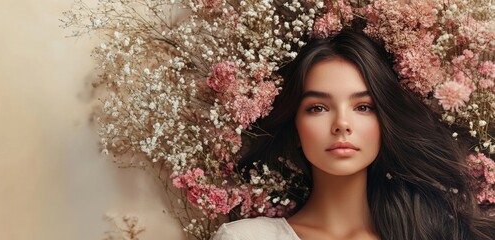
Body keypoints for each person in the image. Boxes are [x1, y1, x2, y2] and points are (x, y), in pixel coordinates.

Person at [211, 30, 495, 240]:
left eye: (363, 107)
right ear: (295, 128)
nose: (342, 124)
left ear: (384, 122)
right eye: (318, 108)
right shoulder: (246, 238)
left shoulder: (436, 233)